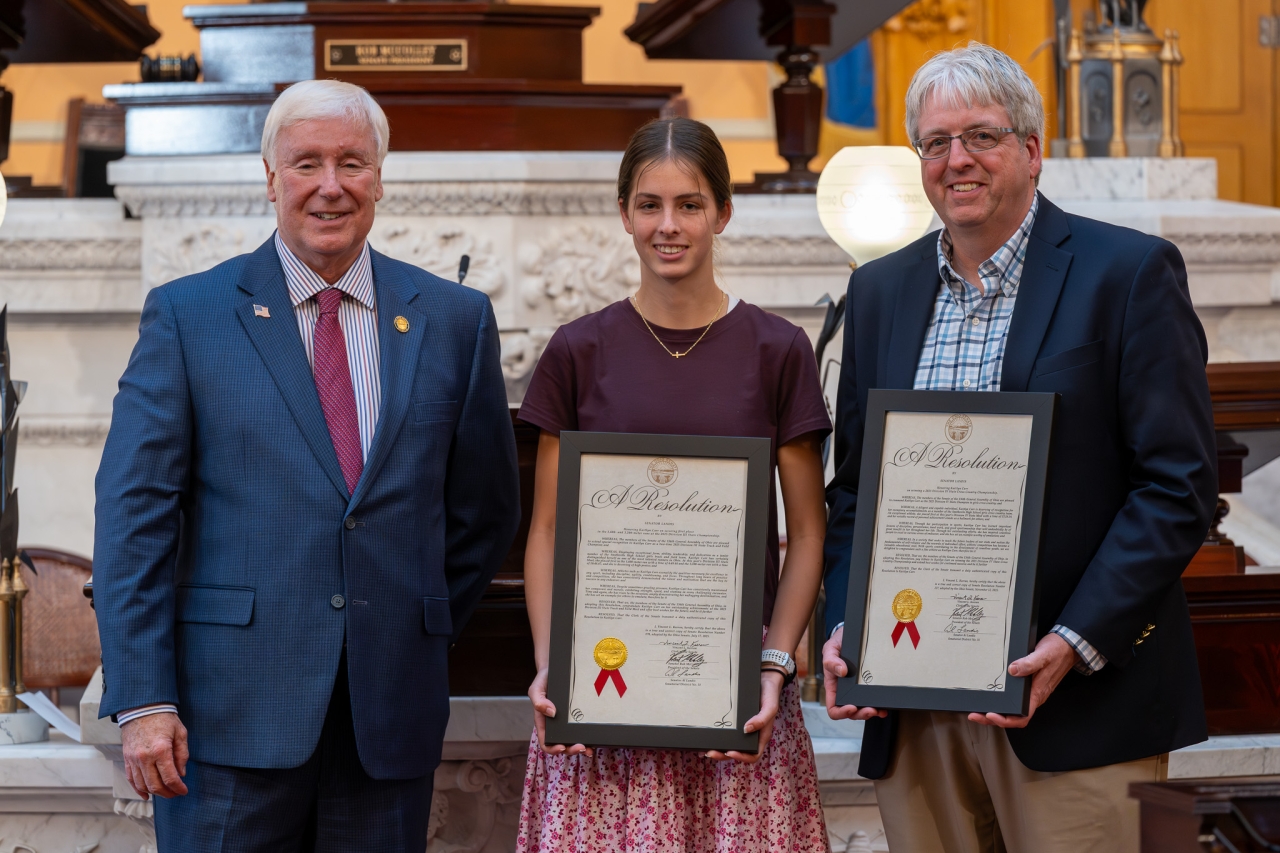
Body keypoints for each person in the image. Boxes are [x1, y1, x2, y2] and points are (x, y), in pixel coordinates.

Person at [93, 79, 520, 852]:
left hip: (385, 724)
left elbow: (483, 512)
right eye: (306, 163)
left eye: (352, 162)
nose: (330, 185)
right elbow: (135, 518)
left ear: (381, 177)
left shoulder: (455, 322)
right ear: (270, 178)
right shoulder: (188, 316)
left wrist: (405, 623)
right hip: (222, 727)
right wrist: (144, 698)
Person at [821, 43, 1217, 853]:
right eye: (935, 143)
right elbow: (856, 491)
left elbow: (1176, 487)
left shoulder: (1129, 272)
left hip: (1077, 705)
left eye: (981, 137)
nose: (956, 160)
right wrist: (843, 621)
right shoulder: (879, 291)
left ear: (1032, 151)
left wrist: (1071, 643)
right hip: (915, 707)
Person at [515, 117, 834, 852]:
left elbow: (808, 533)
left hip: (738, 696)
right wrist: (551, 665)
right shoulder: (577, 350)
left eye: (689, 204)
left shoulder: (777, 349)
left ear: (723, 211)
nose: (669, 225)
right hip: (603, 690)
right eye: (650, 204)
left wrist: (774, 666)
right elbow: (548, 532)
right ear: (624, 212)